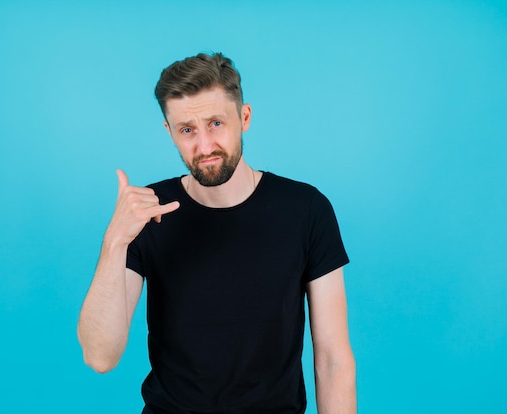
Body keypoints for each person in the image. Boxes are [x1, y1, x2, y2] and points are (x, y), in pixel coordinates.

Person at [77, 52, 356, 414]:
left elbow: (333, 360)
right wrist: (115, 241)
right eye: (187, 130)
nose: (205, 146)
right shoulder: (148, 211)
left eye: (216, 124)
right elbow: (100, 356)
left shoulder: (306, 210)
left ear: (244, 117)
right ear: (170, 132)